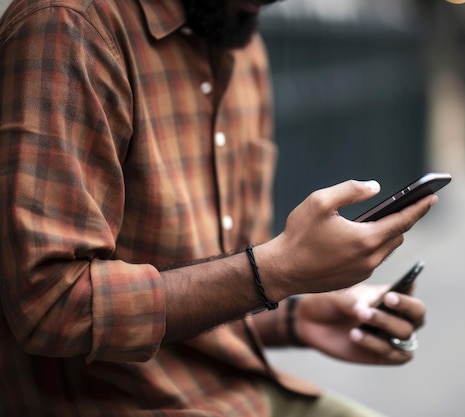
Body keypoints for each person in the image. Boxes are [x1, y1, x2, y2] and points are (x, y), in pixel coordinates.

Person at [0, 0, 439, 415]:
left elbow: (212, 285)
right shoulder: (69, 26)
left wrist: (298, 317)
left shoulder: (241, 43)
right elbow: (49, 306)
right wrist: (275, 271)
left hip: (241, 393)